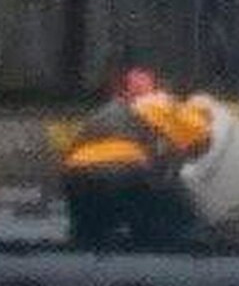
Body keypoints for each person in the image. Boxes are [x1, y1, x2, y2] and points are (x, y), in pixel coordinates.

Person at [60, 68, 214, 249]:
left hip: (77, 177)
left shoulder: (99, 115)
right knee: (178, 223)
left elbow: (72, 154)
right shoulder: (153, 103)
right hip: (126, 172)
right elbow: (199, 135)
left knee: (89, 236)